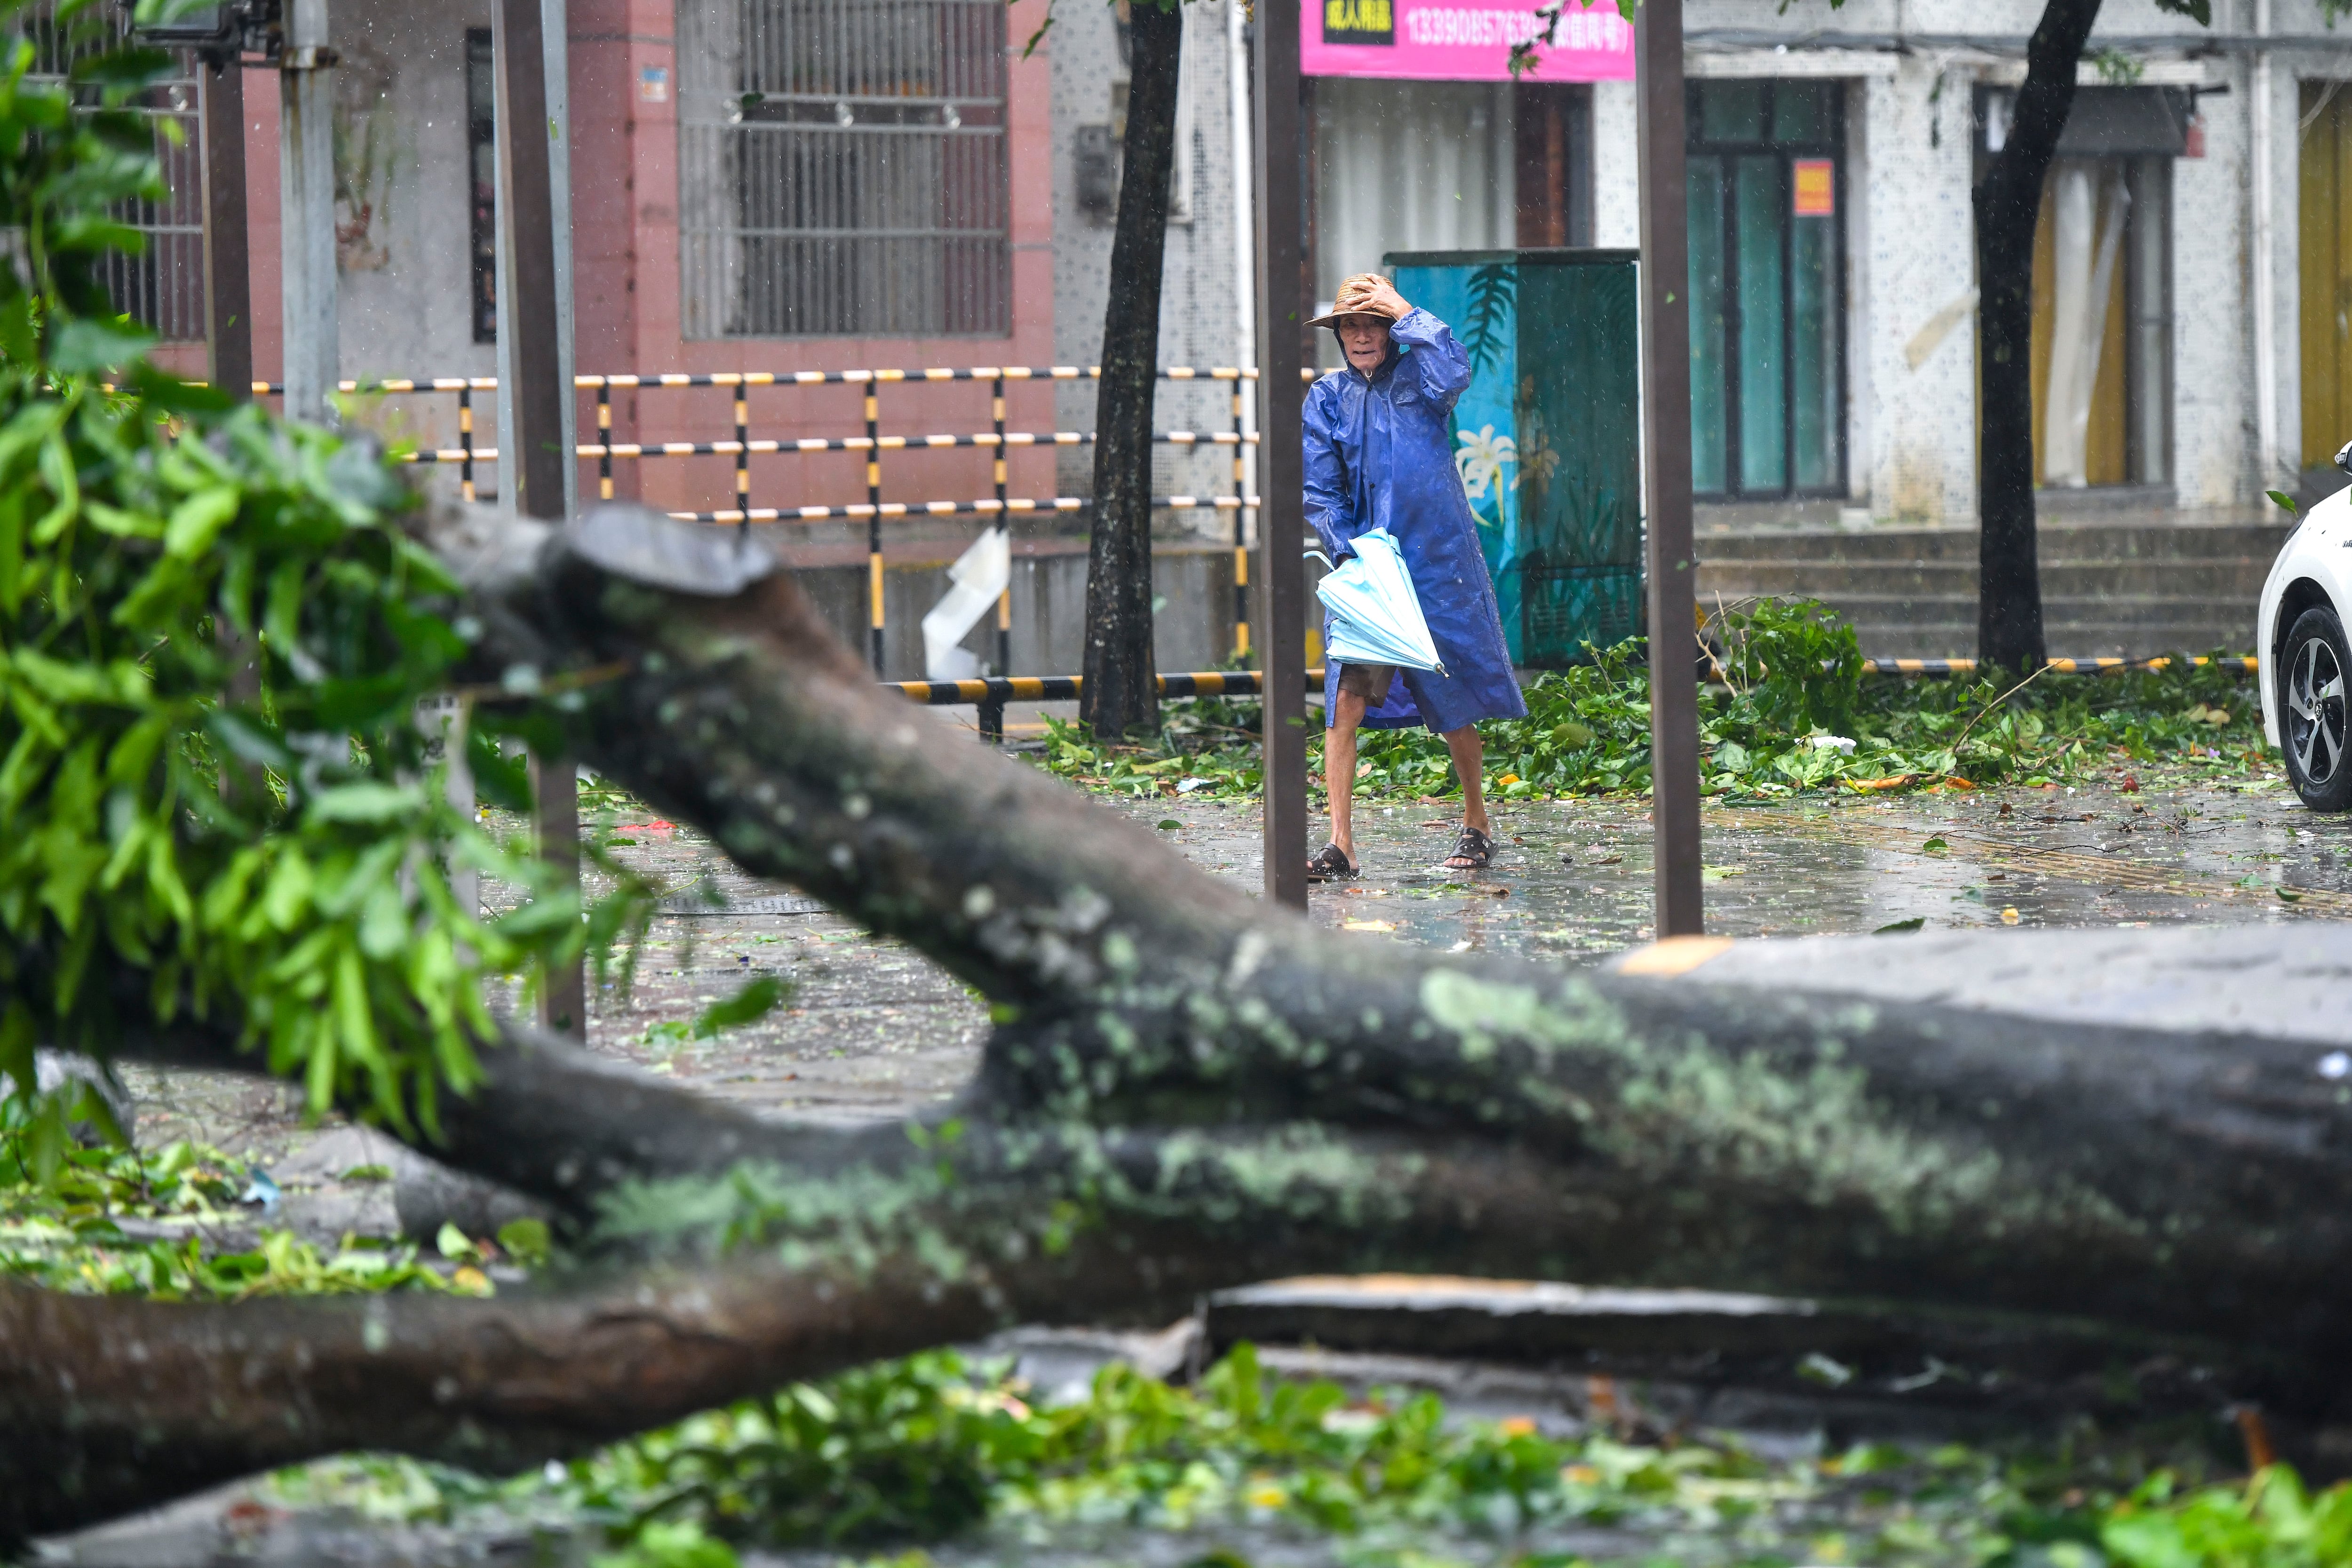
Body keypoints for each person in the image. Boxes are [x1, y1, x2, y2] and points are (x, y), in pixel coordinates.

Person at [1302, 273, 1526, 882]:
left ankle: (1477, 821)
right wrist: (1352, 553)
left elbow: (1454, 368)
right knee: (1345, 702)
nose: (1361, 336)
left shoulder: (1421, 383)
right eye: (1351, 325)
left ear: (1393, 332)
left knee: (1451, 700)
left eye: (1373, 323)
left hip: (1434, 565)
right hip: (1367, 574)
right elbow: (1320, 491)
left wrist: (1404, 308)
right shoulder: (1326, 399)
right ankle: (1341, 843)